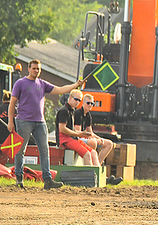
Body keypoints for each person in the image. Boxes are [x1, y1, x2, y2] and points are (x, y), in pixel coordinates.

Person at [8, 59, 87, 189]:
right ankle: (19, 178)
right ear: (29, 69)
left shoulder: (42, 84)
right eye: (34, 68)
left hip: (40, 122)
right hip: (23, 120)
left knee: (44, 150)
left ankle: (47, 179)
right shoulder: (20, 83)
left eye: (38, 69)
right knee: (20, 150)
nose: (36, 71)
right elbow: (12, 103)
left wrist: (75, 85)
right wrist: (11, 121)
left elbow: (61, 89)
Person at [74, 94, 123, 185]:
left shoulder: (88, 115)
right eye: (88, 103)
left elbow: (90, 132)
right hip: (78, 138)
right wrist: (92, 138)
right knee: (93, 143)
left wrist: (99, 138)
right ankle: (96, 173)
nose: (90, 105)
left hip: (86, 137)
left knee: (109, 143)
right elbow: (78, 132)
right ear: (83, 103)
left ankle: (98, 167)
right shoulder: (78, 114)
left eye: (92, 103)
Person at [55, 89, 100, 167]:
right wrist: (78, 134)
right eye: (76, 99)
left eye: (79, 100)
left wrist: (82, 134)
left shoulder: (72, 110)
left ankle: (100, 176)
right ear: (70, 98)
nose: (77, 102)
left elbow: (71, 128)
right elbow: (62, 129)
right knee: (87, 154)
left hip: (72, 138)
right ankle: (90, 177)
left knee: (93, 153)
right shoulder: (64, 111)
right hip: (64, 140)